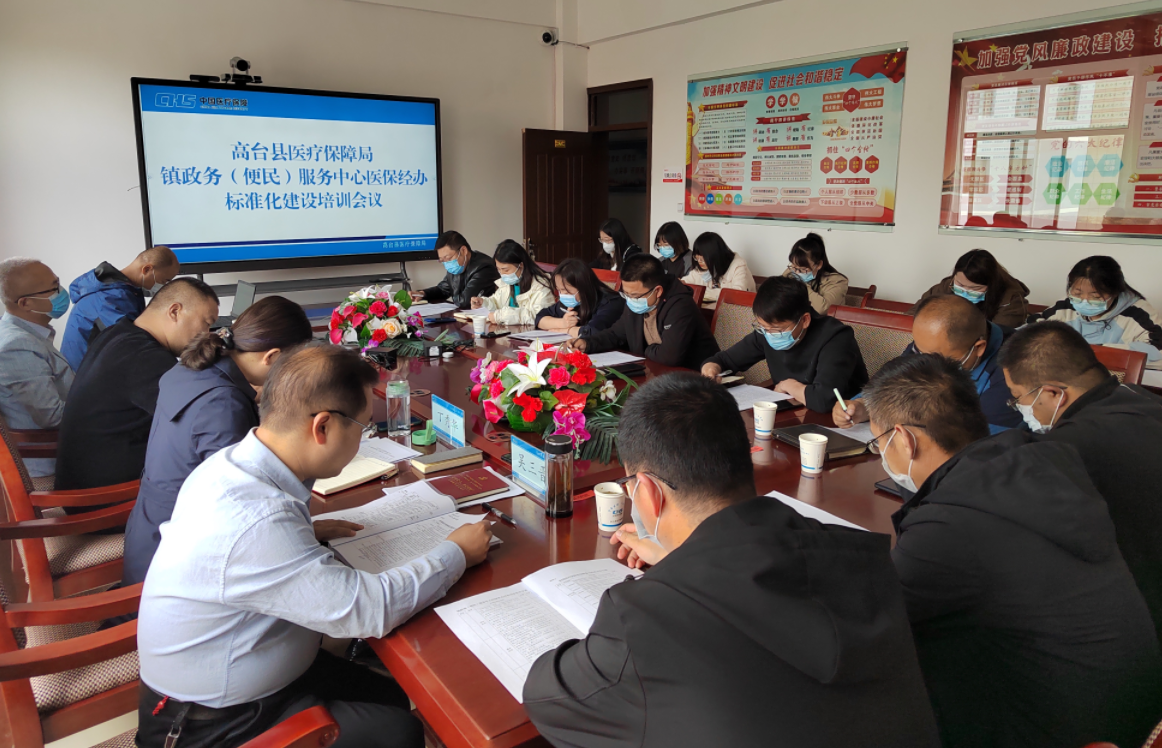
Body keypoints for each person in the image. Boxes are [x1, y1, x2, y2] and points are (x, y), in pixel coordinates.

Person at [523, 373, 941, 748]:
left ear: (647, 491)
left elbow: (547, 699)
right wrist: (681, 557)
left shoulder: (645, 615)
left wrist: (677, 570)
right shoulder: (857, 556)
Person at [135, 344, 494, 748]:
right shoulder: (258, 521)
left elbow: (247, 546)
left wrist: (305, 530)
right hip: (212, 722)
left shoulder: (230, 464)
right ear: (322, 427)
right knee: (399, 730)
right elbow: (369, 610)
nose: (362, 438)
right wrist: (456, 554)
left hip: (255, 673)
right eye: (362, 427)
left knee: (390, 694)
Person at [863, 354, 1162, 748]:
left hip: (1054, 731)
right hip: (1128, 713)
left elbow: (875, 629)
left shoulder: (949, 527)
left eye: (879, 442)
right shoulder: (1038, 462)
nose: (882, 452)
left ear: (904, 439)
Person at [122, 296, 314, 588]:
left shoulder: (190, 369)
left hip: (150, 530)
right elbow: (243, 504)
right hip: (180, 564)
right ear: (272, 357)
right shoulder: (223, 404)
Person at [1000, 321, 1162, 642]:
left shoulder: (1064, 450)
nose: (1021, 409)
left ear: (1053, 393)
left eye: (1018, 398)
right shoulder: (1141, 398)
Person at [54, 278, 219, 496]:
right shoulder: (145, 358)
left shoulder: (117, 333)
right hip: (104, 497)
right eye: (206, 323)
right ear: (174, 312)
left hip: (80, 483)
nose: (207, 334)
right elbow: (203, 421)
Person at [832, 295, 1021, 433]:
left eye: (937, 358)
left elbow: (980, 440)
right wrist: (863, 406)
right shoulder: (928, 346)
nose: (926, 363)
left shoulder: (1016, 366)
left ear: (978, 348)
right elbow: (895, 383)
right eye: (920, 351)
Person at [701, 277, 867, 413]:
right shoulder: (766, 333)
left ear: (805, 320)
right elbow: (725, 359)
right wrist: (711, 368)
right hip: (793, 413)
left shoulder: (835, 337)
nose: (770, 334)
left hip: (841, 421)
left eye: (778, 330)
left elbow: (824, 399)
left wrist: (789, 385)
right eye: (763, 327)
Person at [567, 254, 719, 370]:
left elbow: (669, 357)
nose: (630, 300)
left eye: (634, 296)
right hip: (655, 372)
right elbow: (616, 334)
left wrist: (645, 349)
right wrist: (587, 342)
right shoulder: (638, 301)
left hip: (694, 376)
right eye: (626, 294)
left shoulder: (680, 305)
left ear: (657, 291)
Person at [0, 258, 74, 478]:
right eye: (53, 289)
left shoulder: (30, 334)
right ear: (25, 303)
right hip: (50, 463)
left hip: (64, 446)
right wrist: (106, 407)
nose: (61, 293)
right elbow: (52, 416)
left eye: (58, 283)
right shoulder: (16, 345)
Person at [61, 245, 180, 371]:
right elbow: (132, 344)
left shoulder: (127, 292)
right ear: (146, 269)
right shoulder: (106, 299)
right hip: (81, 375)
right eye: (164, 281)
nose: (163, 286)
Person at [1029, 255, 1162, 367]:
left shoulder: (1139, 314)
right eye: (1078, 293)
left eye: (1096, 296)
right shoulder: (1065, 306)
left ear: (1115, 292)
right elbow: (1031, 328)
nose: (1084, 301)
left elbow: (1157, 350)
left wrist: (1092, 351)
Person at [912, 249, 1029, 328]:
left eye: (975, 288)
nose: (965, 291)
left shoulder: (1011, 300)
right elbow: (915, 313)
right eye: (960, 285)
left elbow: (1000, 336)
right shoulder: (946, 286)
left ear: (992, 284)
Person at [469, 240, 554, 325]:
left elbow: (540, 317)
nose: (502, 274)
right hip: (508, 330)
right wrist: (483, 303)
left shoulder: (541, 286)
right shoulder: (507, 283)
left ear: (521, 265)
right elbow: (497, 302)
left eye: (506, 270)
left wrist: (502, 316)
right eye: (499, 269)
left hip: (530, 332)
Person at [535, 258, 625, 337]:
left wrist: (565, 331)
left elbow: (593, 331)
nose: (562, 295)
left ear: (583, 287)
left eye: (566, 291)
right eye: (559, 290)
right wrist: (562, 323)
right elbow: (539, 318)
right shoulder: (573, 302)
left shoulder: (611, 302)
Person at [411, 230, 499, 309]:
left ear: (463, 251)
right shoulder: (458, 265)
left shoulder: (484, 268)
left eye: (448, 258)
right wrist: (422, 294)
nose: (446, 263)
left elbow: (464, 302)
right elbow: (443, 289)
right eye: (442, 260)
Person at [680, 231, 756, 306]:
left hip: (738, 309)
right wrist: (680, 283)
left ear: (714, 256)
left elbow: (737, 294)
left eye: (702, 259)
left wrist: (703, 292)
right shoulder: (705, 266)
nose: (699, 262)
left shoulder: (738, 266)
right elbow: (687, 281)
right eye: (696, 258)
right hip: (713, 308)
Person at [781, 233, 849, 314]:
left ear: (818, 265)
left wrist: (801, 285)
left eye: (803, 269)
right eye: (794, 267)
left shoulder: (837, 281)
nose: (797, 272)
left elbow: (822, 309)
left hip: (822, 321)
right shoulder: (790, 272)